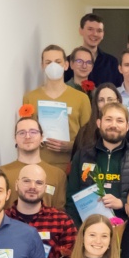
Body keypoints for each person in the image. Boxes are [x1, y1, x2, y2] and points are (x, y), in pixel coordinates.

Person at [65, 102, 129, 225]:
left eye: (120, 121)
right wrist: (77, 230)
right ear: (99, 123)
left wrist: (122, 203)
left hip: (127, 228)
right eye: (108, 119)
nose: (113, 125)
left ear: (127, 126)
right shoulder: (82, 156)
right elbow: (71, 199)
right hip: (89, 228)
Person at [22, 45, 93, 174]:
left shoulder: (81, 98)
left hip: (71, 165)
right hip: (38, 165)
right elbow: (25, 132)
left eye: (58, 62)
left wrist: (71, 146)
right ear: (42, 66)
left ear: (66, 65)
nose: (53, 66)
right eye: (48, 62)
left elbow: (89, 136)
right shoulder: (30, 97)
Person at [0, 116, 68, 210]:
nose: (27, 136)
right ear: (15, 138)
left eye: (33, 132)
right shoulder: (2, 173)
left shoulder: (58, 175)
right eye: (22, 133)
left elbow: (60, 211)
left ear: (42, 137)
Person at [70, 14, 122, 87]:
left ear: (103, 34)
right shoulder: (68, 61)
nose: (95, 34)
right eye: (90, 29)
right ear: (80, 31)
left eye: (99, 30)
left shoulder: (112, 63)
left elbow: (118, 90)